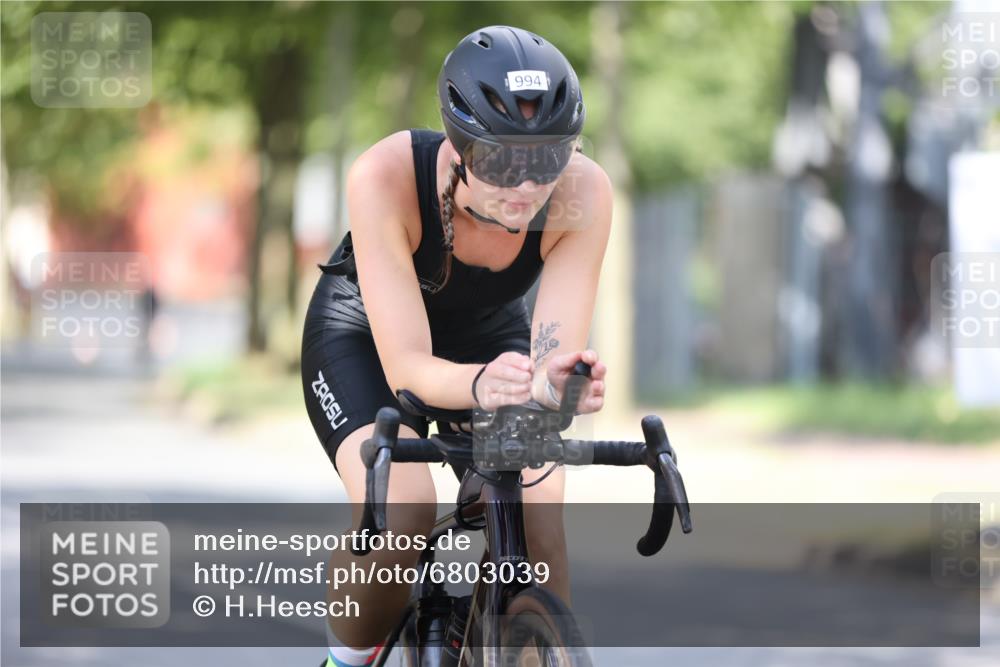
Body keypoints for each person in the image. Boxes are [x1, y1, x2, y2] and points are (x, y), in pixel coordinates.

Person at [301, 25, 611, 667]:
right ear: (461, 147)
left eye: (548, 159)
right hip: (367, 335)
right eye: (502, 160)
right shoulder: (385, 174)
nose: (526, 188)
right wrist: (480, 387)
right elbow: (409, 368)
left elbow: (550, 356)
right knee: (405, 506)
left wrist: (562, 384)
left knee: (535, 502)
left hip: (491, 338)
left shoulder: (584, 194)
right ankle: (345, 659)